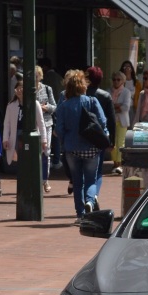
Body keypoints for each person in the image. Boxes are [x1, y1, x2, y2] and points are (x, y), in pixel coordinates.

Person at [53, 69, 109, 221]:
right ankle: (90, 201)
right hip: (91, 146)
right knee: (91, 179)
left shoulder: (64, 106)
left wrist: (66, 141)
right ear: (83, 86)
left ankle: (80, 214)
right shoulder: (92, 101)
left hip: (72, 148)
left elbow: (59, 129)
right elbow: (103, 121)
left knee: (77, 181)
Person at [2, 77, 49, 193]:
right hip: (17, 136)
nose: (19, 91)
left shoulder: (35, 104)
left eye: (21, 88)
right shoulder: (11, 105)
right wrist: (5, 139)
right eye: (17, 88)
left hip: (31, 137)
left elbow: (41, 122)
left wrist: (44, 140)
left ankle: (34, 186)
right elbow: (6, 123)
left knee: (32, 162)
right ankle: (24, 187)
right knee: (21, 163)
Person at [85, 66, 117, 195]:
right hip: (100, 136)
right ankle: (93, 196)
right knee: (97, 170)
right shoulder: (105, 95)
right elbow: (111, 120)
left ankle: (87, 196)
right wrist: (112, 141)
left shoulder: (81, 94)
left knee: (84, 170)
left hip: (83, 135)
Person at [33, 66, 56, 191]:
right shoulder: (28, 89)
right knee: (34, 153)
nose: (36, 78)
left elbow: (54, 107)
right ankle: (35, 180)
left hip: (46, 124)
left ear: (41, 76)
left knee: (46, 152)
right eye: (34, 75)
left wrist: (46, 107)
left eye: (38, 75)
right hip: (32, 125)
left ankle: (45, 181)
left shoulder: (47, 89)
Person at [110, 69, 133, 173]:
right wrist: (118, 106)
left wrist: (114, 107)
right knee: (112, 142)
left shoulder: (126, 92)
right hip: (112, 120)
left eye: (118, 79)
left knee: (121, 142)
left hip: (122, 120)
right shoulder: (108, 91)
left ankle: (120, 163)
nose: (116, 81)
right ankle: (114, 162)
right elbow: (107, 107)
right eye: (114, 79)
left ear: (123, 81)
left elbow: (126, 107)